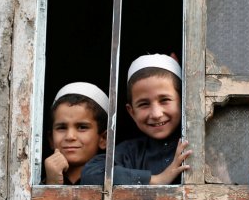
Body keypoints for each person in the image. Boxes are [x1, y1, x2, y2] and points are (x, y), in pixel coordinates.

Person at [80, 54, 191, 185]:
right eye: (144, 104)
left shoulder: (195, 144)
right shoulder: (130, 152)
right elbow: (91, 174)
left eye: (165, 100)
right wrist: (156, 180)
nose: (156, 114)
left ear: (183, 101)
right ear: (131, 112)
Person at [44, 82, 109, 185]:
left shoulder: (112, 182)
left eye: (82, 127)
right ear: (51, 139)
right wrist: (51, 184)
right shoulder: (34, 186)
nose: (70, 136)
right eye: (62, 128)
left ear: (103, 139)